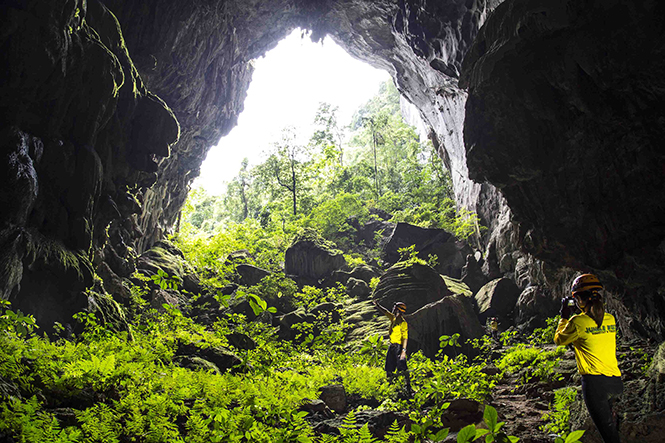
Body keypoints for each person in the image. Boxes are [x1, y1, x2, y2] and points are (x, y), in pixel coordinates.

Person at [554, 274, 623, 443]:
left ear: (579, 299)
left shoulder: (578, 322)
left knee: (609, 436)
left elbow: (558, 340)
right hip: (616, 381)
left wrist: (564, 317)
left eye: (576, 299)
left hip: (594, 384)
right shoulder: (610, 318)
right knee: (614, 429)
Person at [373, 299, 411, 394]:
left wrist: (403, 351)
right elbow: (385, 312)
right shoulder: (393, 319)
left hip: (399, 346)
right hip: (392, 346)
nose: (393, 309)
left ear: (399, 310)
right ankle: (390, 387)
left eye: (395, 308)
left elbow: (405, 338)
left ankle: (408, 386)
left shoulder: (403, 323)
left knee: (402, 366)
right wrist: (378, 305)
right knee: (389, 367)